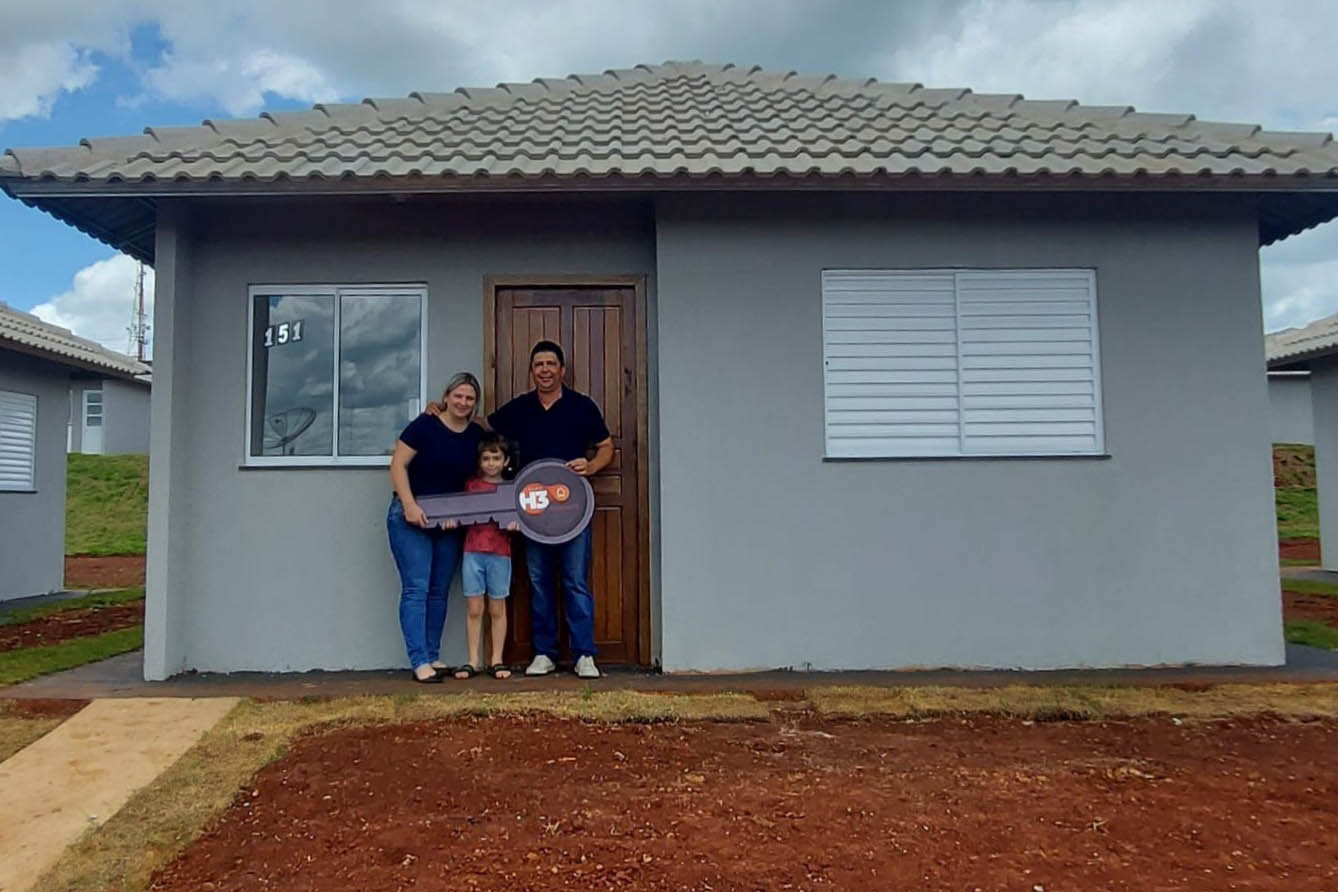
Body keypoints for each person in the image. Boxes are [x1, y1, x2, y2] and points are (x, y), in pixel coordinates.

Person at [488, 340, 613, 679]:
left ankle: (584, 654)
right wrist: (440, 410)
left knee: (574, 581)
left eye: (550, 364)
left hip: (573, 508)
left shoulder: (581, 407)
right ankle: (544, 653)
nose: (544, 370)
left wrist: (592, 465)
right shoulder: (519, 409)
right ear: (532, 371)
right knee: (540, 581)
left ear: (562, 370)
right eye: (538, 364)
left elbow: (606, 446)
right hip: (532, 511)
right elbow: (483, 430)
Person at [387, 372, 483, 683]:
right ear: (446, 396)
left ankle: (432, 653)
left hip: (450, 523)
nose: (463, 402)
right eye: (458, 396)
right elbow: (397, 464)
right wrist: (409, 505)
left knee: (439, 592)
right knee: (417, 588)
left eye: (469, 398)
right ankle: (419, 661)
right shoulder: (425, 426)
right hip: (411, 519)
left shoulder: (474, 435)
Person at [451, 433, 518, 680]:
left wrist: (516, 525)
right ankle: (472, 660)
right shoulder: (470, 486)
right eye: (486, 458)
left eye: (496, 458)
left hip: (500, 553)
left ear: (505, 460)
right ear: (479, 461)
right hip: (472, 552)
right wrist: (451, 521)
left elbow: (520, 518)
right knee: (474, 608)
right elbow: (457, 512)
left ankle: (496, 660)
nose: (491, 463)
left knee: (497, 607)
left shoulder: (512, 489)